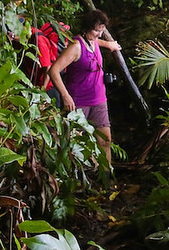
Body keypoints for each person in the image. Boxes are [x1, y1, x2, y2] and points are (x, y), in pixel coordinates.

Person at [48, 9, 121, 168]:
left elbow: (96, 41)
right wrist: (65, 96)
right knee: (76, 146)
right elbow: (53, 70)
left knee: (105, 141)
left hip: (99, 100)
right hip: (78, 103)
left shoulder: (93, 41)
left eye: (102, 31)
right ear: (87, 28)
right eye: (96, 30)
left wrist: (109, 44)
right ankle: (78, 182)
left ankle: (106, 177)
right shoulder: (76, 46)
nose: (99, 35)